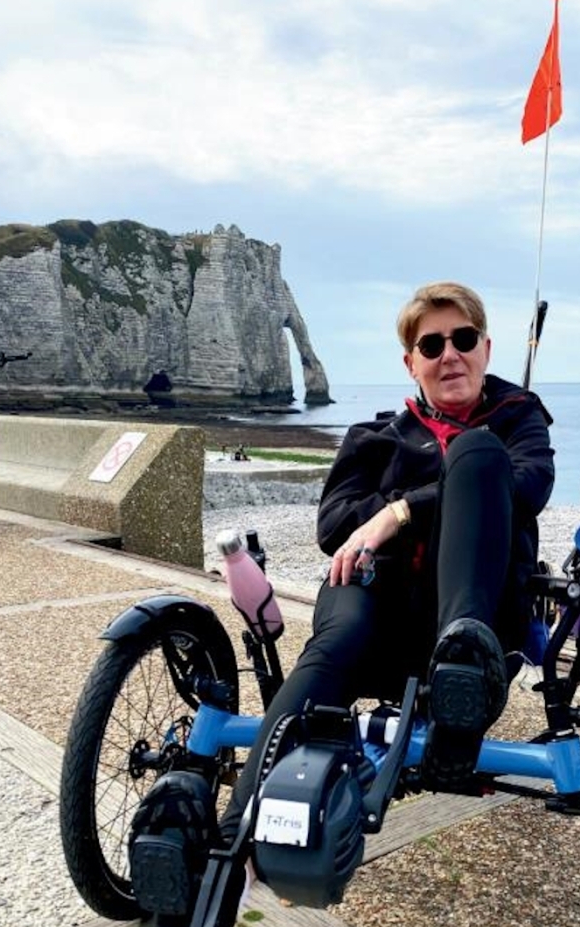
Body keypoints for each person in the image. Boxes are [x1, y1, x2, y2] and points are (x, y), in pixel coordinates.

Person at [224, 280, 554, 808]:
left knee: (479, 454)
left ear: (486, 349)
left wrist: (399, 512)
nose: (450, 355)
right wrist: (398, 515)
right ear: (411, 363)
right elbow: (334, 526)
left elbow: (529, 485)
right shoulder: (374, 438)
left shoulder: (518, 419)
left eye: (464, 339)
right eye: (432, 345)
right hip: (376, 603)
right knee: (334, 646)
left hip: (477, 616)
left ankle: (460, 670)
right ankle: (235, 828)